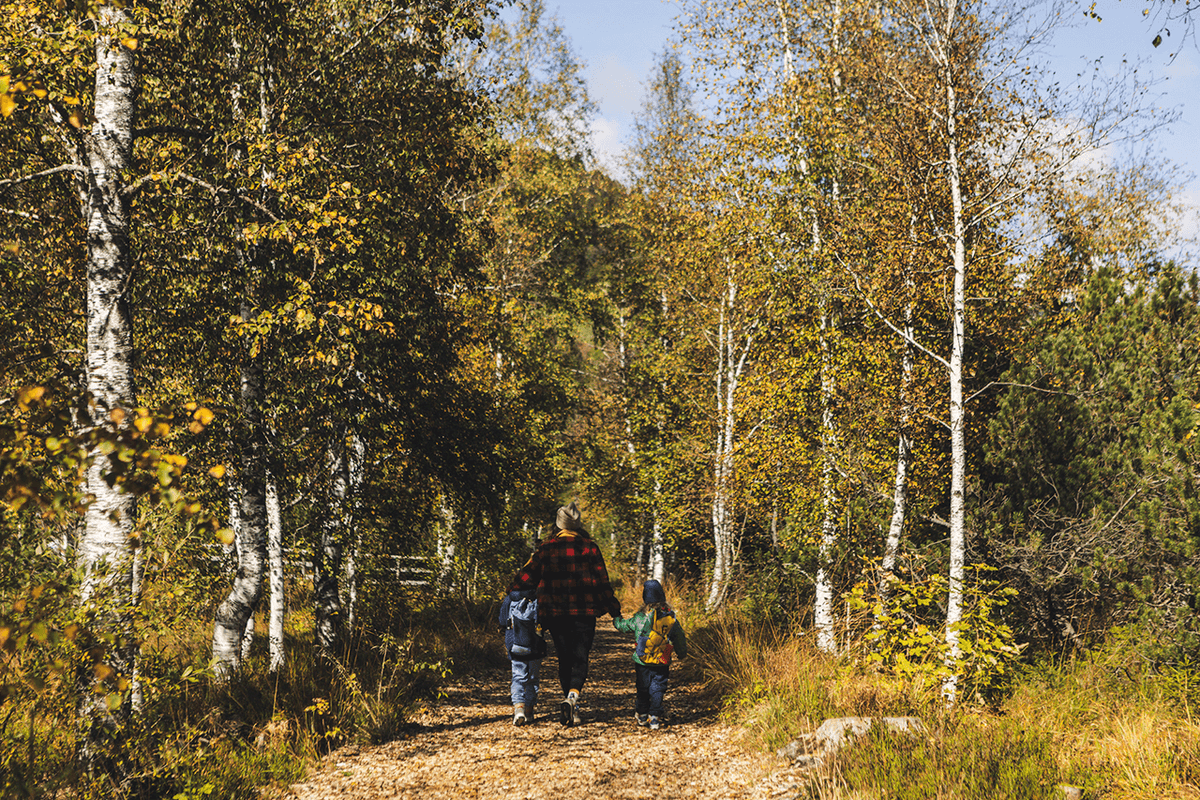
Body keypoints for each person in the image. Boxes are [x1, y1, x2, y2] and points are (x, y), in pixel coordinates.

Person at [509, 501, 622, 727]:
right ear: (578, 524)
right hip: (584, 612)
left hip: (555, 612)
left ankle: (571, 705)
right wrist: (613, 607)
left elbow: (524, 578)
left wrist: (511, 591)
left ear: (559, 524)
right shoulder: (590, 547)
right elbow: (602, 582)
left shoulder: (546, 548)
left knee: (564, 658)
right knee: (581, 657)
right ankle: (572, 698)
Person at [612, 579, 687, 730]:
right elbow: (679, 637)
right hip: (662, 660)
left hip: (642, 661)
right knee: (658, 688)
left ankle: (641, 714)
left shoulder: (639, 618)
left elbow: (623, 626)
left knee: (642, 688)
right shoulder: (670, 618)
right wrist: (681, 653)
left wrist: (616, 618)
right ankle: (655, 717)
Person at [498, 587, 544, 726]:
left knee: (518, 676)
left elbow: (502, 620)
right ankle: (529, 710)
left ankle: (519, 709)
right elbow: (545, 620)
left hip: (515, 643)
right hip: (536, 644)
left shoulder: (510, 598)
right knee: (533, 678)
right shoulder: (540, 597)